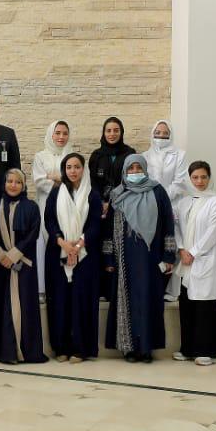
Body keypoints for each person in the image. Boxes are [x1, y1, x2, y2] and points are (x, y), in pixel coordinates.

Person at [103, 154, 176, 363]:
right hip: (124, 258)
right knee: (128, 300)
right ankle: (128, 348)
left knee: (148, 300)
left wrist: (169, 254)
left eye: (138, 168)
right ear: (125, 171)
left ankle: (146, 348)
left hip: (150, 257)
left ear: (145, 169)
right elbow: (108, 229)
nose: (135, 172)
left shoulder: (158, 191)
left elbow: (168, 224)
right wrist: (108, 259)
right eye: (131, 169)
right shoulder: (117, 194)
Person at [44, 153, 102, 363]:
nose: (73, 171)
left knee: (81, 301)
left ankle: (80, 349)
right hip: (58, 252)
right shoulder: (56, 193)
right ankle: (61, 348)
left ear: (83, 169)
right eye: (69, 167)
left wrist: (78, 246)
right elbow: (49, 220)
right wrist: (63, 243)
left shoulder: (92, 194)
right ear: (64, 170)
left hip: (85, 255)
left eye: (77, 166)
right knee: (60, 301)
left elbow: (96, 224)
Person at [0, 169, 47, 365]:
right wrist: (0, 254)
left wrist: (13, 255)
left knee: (24, 306)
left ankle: (26, 350)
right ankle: (1, 350)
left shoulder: (31, 207)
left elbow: (33, 233)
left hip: (24, 265)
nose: (13, 185)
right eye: (9, 181)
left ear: (23, 185)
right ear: (4, 183)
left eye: (17, 182)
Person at [173, 161, 216, 366]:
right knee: (187, 305)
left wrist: (193, 252)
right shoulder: (184, 202)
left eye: (203, 177)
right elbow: (177, 227)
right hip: (185, 260)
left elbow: (214, 231)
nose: (200, 181)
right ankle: (187, 348)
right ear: (190, 178)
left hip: (204, 259)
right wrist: (181, 249)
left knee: (205, 307)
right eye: (195, 177)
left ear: (209, 178)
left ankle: (208, 350)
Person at [89, 116, 136, 299]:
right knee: (101, 244)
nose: (112, 134)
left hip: (123, 208)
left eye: (116, 130)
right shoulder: (96, 155)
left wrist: (113, 201)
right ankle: (102, 289)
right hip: (100, 209)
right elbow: (91, 182)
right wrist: (100, 201)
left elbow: (131, 179)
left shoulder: (130, 153)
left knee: (120, 245)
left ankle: (120, 288)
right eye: (108, 130)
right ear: (103, 132)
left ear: (121, 132)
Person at [143, 120, 189, 302]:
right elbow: (144, 181)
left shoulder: (180, 155)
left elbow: (180, 181)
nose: (161, 137)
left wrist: (163, 199)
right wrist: (155, 201)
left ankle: (172, 290)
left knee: (175, 243)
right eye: (158, 133)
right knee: (155, 244)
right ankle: (154, 285)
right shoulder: (145, 156)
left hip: (173, 203)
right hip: (150, 205)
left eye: (165, 133)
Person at [31, 120, 72, 296]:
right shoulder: (40, 156)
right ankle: (42, 289)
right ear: (51, 134)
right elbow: (39, 181)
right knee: (43, 244)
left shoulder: (73, 155)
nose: (61, 137)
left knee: (66, 241)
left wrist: (55, 177)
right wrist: (62, 179)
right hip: (45, 206)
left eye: (64, 133)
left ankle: (63, 285)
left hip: (69, 206)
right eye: (58, 133)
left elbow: (76, 181)